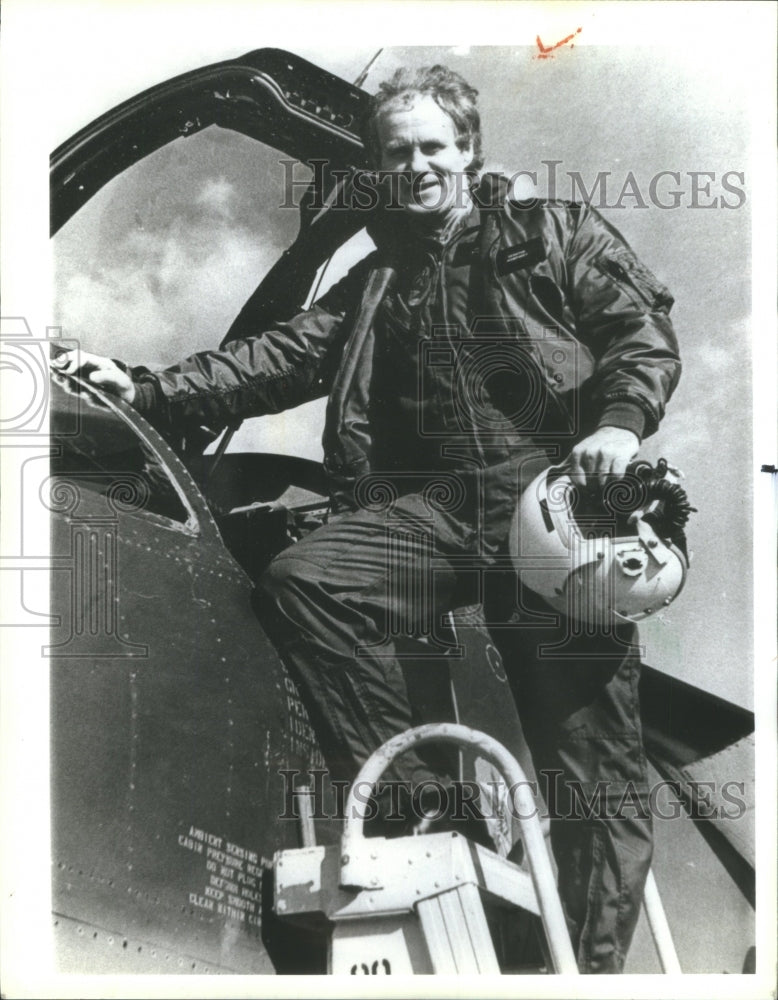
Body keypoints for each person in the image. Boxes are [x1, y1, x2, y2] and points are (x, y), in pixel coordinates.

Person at [52, 64, 681, 973]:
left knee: (592, 767)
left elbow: (640, 333)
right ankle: (426, 803)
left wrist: (619, 431)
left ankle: (580, 971)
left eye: (433, 146)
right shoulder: (378, 282)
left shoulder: (556, 233)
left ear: (468, 150)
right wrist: (147, 388)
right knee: (311, 579)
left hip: (559, 503)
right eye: (398, 152)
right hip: (446, 512)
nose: (417, 165)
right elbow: (272, 359)